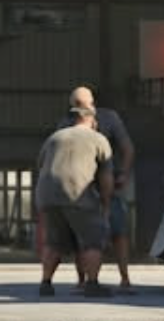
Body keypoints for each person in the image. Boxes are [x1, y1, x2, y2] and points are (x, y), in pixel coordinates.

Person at [34, 107, 115, 299]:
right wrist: (106, 202)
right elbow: (106, 177)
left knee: (53, 242)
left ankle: (45, 284)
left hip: (48, 196)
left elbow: (41, 165)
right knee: (93, 240)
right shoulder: (98, 139)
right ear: (91, 120)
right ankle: (92, 284)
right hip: (78, 194)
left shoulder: (54, 138)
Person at [69, 86, 138, 293]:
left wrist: (123, 173)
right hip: (100, 182)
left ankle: (84, 280)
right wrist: (123, 173)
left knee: (84, 234)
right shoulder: (109, 117)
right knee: (117, 233)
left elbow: (128, 149)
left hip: (85, 184)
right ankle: (122, 278)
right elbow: (128, 148)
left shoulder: (70, 120)